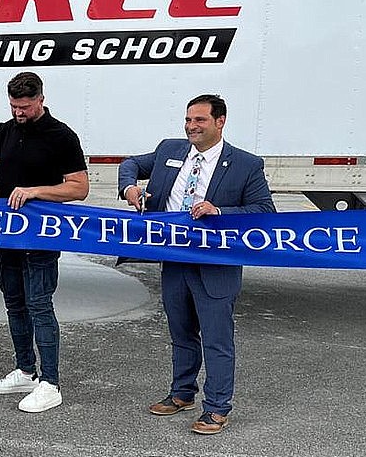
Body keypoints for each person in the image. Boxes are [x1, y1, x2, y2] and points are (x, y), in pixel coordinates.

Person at [118, 94, 275, 435]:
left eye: (200, 120)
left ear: (220, 122)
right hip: (174, 260)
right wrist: (130, 188)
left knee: (216, 340)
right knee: (181, 333)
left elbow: (264, 211)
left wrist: (219, 211)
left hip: (214, 266)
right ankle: (182, 393)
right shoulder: (169, 150)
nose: (191, 126)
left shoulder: (246, 164)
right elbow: (129, 164)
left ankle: (216, 408)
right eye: (188, 120)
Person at [0, 71, 89, 413]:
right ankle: (25, 371)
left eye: (25, 107)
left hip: (41, 237)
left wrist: (35, 192)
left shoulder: (62, 136)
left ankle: (51, 383)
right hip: (7, 235)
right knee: (14, 304)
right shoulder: (6, 130)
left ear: (41, 100)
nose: (19, 112)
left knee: (39, 305)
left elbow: (79, 187)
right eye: (14, 106)